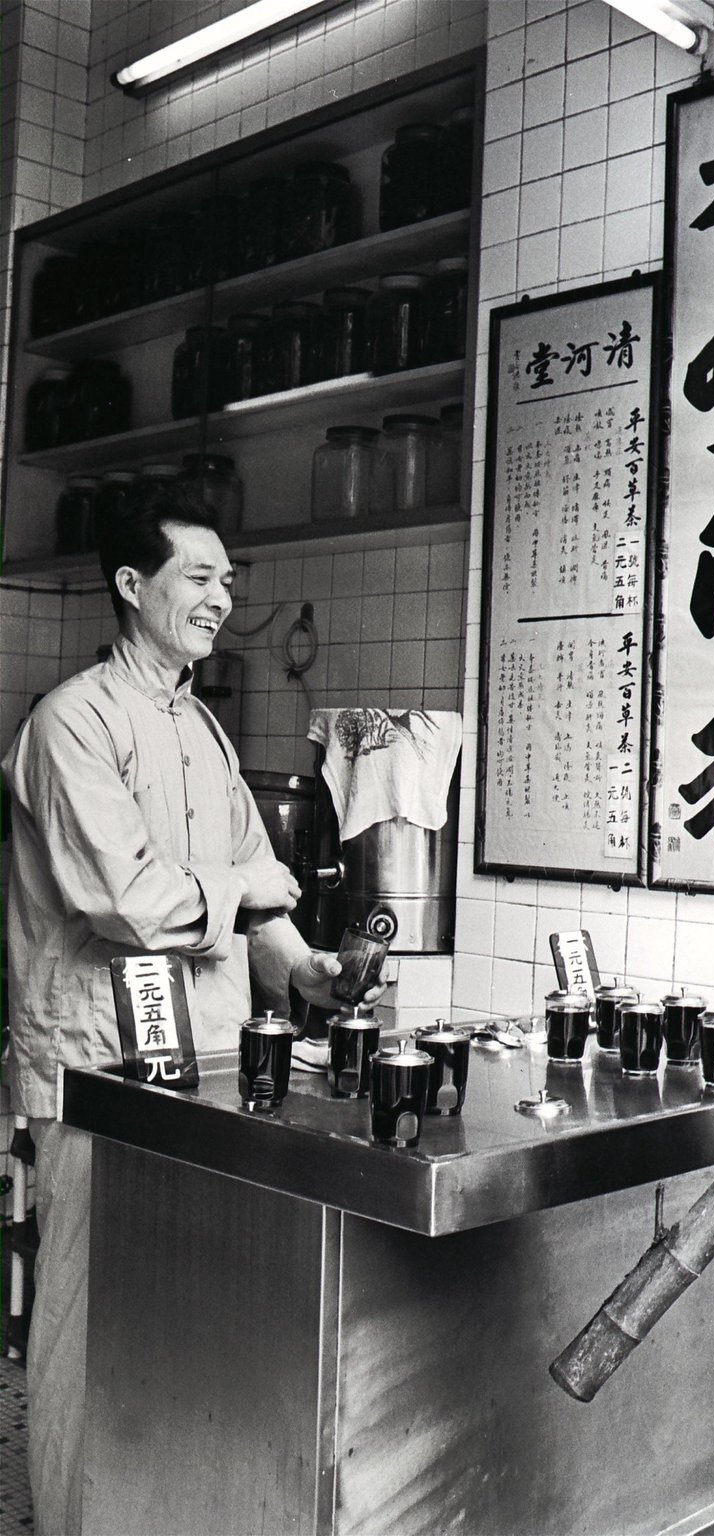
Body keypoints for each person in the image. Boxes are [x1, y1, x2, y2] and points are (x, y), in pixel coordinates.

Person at [2, 485, 355, 1536]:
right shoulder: (70, 721)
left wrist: (307, 970)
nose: (221, 596)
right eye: (199, 577)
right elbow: (125, 899)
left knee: (176, 1310)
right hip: (98, 1063)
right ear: (131, 587)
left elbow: (255, 881)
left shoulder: (200, 726)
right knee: (82, 1312)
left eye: (227, 579)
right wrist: (250, 897)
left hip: (201, 1063)